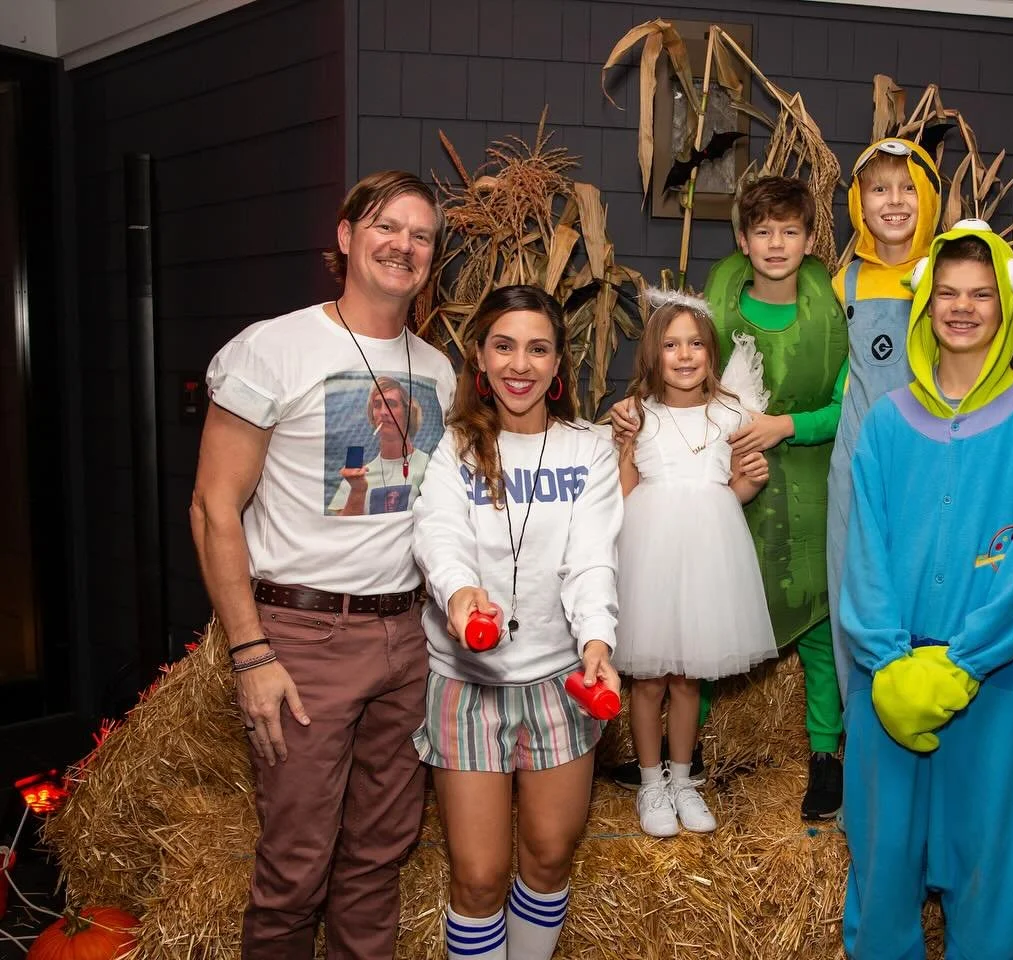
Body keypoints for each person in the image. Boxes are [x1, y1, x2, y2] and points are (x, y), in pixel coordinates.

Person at [190, 170, 455, 958]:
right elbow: (212, 509)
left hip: (406, 642)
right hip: (302, 639)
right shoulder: (274, 348)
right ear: (346, 237)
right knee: (295, 869)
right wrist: (251, 651)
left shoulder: (438, 371)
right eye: (385, 226)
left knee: (378, 860)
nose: (402, 245)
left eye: (420, 234)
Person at [839, 221, 1013, 960]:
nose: (963, 307)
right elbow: (864, 552)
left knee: (991, 883)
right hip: (893, 677)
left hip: (1004, 680)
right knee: (880, 881)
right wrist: (888, 659)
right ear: (925, 308)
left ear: (1005, 310)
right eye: (947, 293)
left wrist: (966, 660)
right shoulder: (884, 425)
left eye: (980, 294)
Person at [610, 176, 849, 819]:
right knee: (674, 650)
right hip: (667, 538)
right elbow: (627, 477)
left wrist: (772, 442)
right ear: (743, 241)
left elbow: (847, 402)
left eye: (790, 231)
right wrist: (624, 436)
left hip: (809, 482)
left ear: (808, 241)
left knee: (807, 616)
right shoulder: (715, 313)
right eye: (763, 232)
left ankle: (821, 755)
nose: (776, 244)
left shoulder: (833, 310)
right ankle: (664, 770)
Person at [411, 284, 623, 960]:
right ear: (479, 354)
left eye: (538, 348)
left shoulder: (586, 451)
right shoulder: (454, 449)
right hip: (467, 682)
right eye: (504, 345)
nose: (520, 364)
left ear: (560, 365)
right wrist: (461, 593)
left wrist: (596, 640)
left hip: (560, 681)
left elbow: (591, 558)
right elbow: (440, 535)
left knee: (550, 856)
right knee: (477, 877)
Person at [827, 139, 1013, 706]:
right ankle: (862, 718)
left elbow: (978, 353)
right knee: (853, 585)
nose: (894, 201)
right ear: (858, 203)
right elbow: (835, 377)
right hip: (863, 447)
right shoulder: (842, 284)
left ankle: (949, 688)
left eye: (909, 187)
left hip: (934, 454)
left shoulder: (948, 268)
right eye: (879, 188)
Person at [611, 291, 777, 838]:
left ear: (711, 351)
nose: (684, 355)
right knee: (649, 679)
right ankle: (651, 780)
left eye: (696, 344)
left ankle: (684, 780)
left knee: (687, 679)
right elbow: (625, 490)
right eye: (670, 345)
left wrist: (748, 484)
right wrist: (622, 448)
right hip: (651, 551)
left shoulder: (731, 413)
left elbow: (733, 488)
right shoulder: (641, 415)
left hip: (710, 552)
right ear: (653, 356)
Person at [328, 376, 431, 515]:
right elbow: (342, 531)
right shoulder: (357, 477)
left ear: (408, 413)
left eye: (391, 404)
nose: (383, 412)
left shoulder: (430, 465)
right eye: (377, 405)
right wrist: (357, 491)